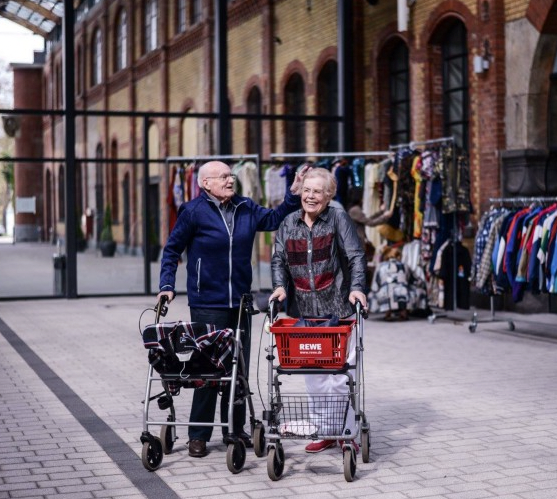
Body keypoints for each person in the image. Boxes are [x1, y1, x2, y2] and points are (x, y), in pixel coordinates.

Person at [157, 160, 303, 458]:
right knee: (209, 370)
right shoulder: (192, 211)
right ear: (205, 183)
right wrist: (166, 285)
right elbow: (172, 250)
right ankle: (198, 434)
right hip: (206, 302)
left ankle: (234, 430)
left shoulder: (246, 207)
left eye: (230, 175)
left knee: (238, 369)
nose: (230, 180)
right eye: (223, 176)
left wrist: (292, 196)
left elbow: (274, 219)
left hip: (239, 303)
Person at [269, 167, 367, 453]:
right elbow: (279, 260)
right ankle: (325, 431)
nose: (310, 196)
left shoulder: (338, 219)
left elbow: (355, 256)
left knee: (340, 377)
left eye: (317, 192)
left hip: (338, 310)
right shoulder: (288, 223)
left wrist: (357, 287)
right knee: (313, 377)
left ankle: (346, 432)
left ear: (328, 195)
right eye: (307, 191)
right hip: (305, 313)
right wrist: (279, 286)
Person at [345, 186, 392, 264]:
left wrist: (380, 212)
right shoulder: (355, 210)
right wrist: (384, 216)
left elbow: (367, 219)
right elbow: (370, 222)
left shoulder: (353, 209)